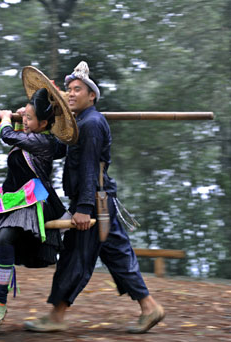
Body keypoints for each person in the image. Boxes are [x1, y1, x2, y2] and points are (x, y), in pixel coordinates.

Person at [24, 61, 165, 334]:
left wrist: (84, 208)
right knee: (118, 256)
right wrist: (32, 120)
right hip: (100, 202)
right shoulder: (78, 123)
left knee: (75, 257)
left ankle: (56, 315)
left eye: (78, 89)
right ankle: (150, 308)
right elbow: (56, 149)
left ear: (92, 96)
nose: (72, 93)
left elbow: (90, 166)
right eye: (69, 90)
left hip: (94, 204)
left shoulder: (91, 123)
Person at [0, 84, 76, 330]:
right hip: (9, 198)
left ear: (44, 124)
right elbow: (25, 132)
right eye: (23, 114)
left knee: (4, 238)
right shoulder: (33, 133)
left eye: (29, 117)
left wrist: (5, 120)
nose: (23, 118)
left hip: (32, 200)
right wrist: (27, 115)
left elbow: (8, 136)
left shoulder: (44, 142)